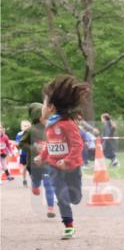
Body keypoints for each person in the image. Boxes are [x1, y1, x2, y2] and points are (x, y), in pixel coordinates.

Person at [37, 75, 90, 239]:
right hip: (54, 166)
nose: (41, 108)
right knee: (61, 196)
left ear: (51, 107)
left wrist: (67, 160)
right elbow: (50, 144)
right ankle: (68, 226)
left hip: (72, 167)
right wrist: (42, 157)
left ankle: (73, 197)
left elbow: (78, 145)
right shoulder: (49, 126)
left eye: (43, 104)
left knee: (75, 198)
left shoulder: (67, 124)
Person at [19, 104, 57, 217]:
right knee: (36, 181)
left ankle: (50, 209)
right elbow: (21, 144)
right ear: (38, 116)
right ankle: (35, 185)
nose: (48, 118)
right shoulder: (31, 130)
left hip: (47, 163)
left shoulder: (52, 129)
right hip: (34, 164)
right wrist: (34, 148)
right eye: (45, 116)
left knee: (48, 184)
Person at [16, 120, 32, 185]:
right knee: (25, 167)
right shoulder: (19, 134)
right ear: (21, 127)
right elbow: (18, 143)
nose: (27, 127)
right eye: (25, 126)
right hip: (23, 153)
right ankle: (24, 179)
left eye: (28, 126)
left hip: (31, 153)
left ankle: (33, 181)